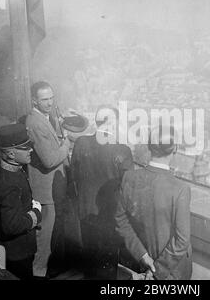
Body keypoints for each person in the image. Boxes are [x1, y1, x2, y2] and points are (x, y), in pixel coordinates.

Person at [115, 125, 192, 280]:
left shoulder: (129, 178)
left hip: (139, 261)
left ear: (149, 147)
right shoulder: (180, 188)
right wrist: (157, 270)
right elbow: (182, 240)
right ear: (174, 149)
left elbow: (120, 221)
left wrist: (143, 256)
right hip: (172, 271)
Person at [70, 106, 133, 279]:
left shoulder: (81, 143)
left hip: (85, 212)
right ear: (114, 123)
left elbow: (74, 176)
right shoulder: (122, 150)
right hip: (109, 215)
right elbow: (129, 187)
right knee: (108, 265)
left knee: (89, 262)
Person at [25, 81, 70, 279]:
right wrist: (66, 145)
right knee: (44, 244)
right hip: (45, 192)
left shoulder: (45, 117)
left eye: (52, 97)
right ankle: (38, 274)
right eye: (44, 99)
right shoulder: (34, 122)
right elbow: (50, 159)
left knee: (49, 240)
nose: (50, 103)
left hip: (51, 189)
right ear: (34, 100)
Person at [0, 124, 42, 280]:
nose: (31, 150)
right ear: (11, 154)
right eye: (25, 148)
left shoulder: (6, 168)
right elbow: (11, 226)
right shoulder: (8, 183)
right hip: (16, 252)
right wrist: (35, 214)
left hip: (11, 249)